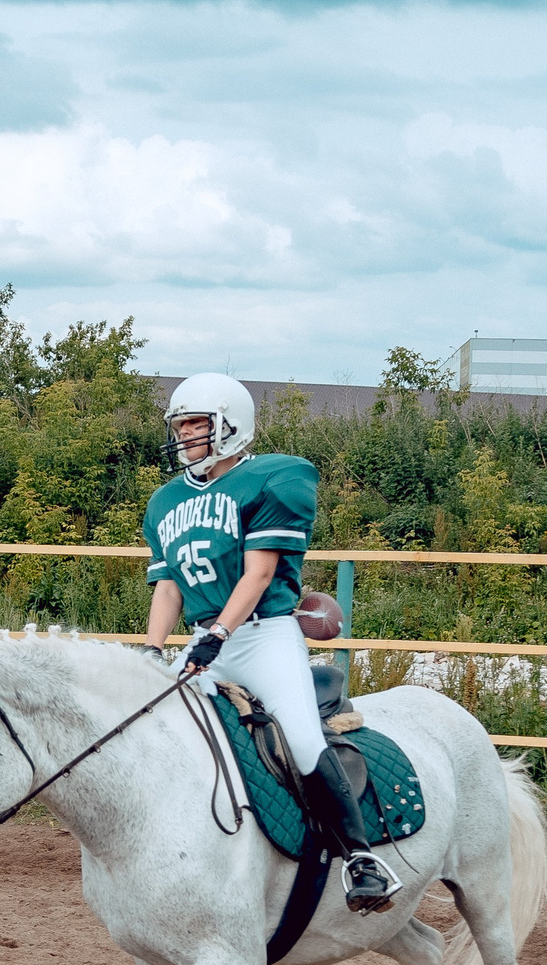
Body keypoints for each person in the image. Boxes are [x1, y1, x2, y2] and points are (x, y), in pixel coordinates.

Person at [143, 373, 396, 912]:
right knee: (154, 724)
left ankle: (360, 858)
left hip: (263, 635)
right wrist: (152, 648)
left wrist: (219, 634)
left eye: (196, 423)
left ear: (230, 426)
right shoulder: (165, 501)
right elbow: (168, 586)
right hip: (205, 637)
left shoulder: (272, 478)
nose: (184, 434)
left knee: (301, 738)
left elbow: (258, 574)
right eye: (180, 425)